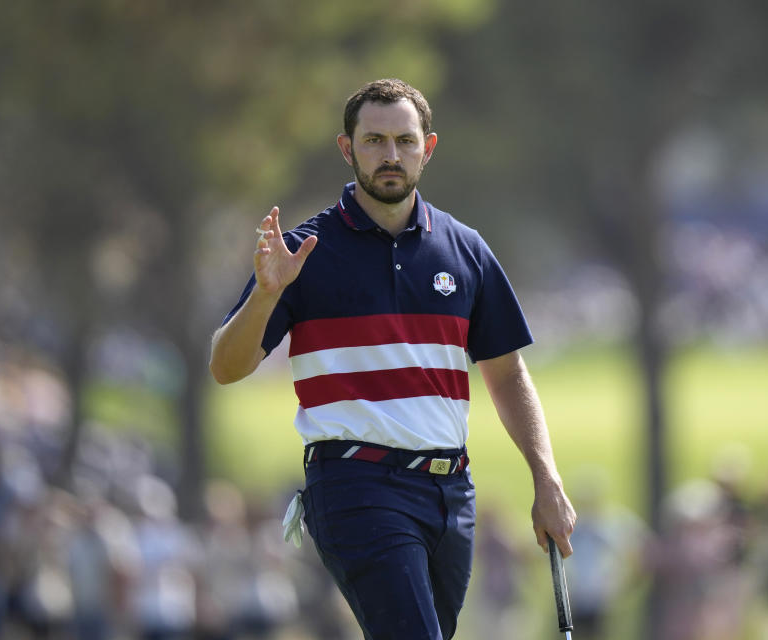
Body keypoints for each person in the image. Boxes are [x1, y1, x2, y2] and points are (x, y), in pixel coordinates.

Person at [209, 78, 576, 640]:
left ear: (427, 148)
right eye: (375, 140)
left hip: (450, 492)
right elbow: (225, 367)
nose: (390, 155)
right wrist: (266, 294)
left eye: (405, 141)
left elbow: (506, 373)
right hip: (355, 483)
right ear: (346, 147)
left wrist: (546, 480)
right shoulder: (304, 253)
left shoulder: (466, 248)